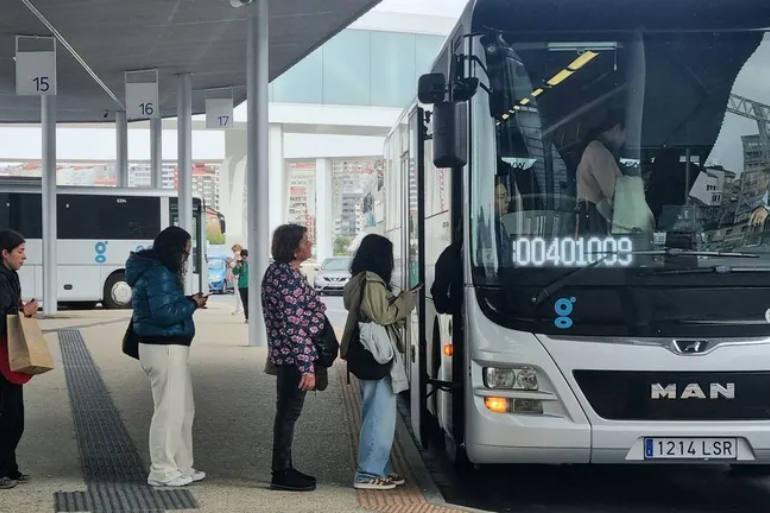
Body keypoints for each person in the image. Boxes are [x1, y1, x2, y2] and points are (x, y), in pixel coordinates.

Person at [125, 226, 208, 488]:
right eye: (185, 252)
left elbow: (162, 306)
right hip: (164, 347)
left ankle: (182, 465)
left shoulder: (154, 270)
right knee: (168, 411)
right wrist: (192, 303)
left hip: (167, 346)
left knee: (183, 409)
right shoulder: (159, 272)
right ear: (173, 250)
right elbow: (164, 315)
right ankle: (162, 471)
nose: (186, 258)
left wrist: (187, 301)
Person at [340, 234, 417, 490]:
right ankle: (368, 473)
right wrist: (406, 301)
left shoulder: (359, 280)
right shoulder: (372, 282)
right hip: (376, 353)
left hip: (366, 352)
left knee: (376, 411)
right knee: (379, 415)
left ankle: (381, 469)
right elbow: (382, 315)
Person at [261, 224, 326, 492]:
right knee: (288, 414)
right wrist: (306, 367)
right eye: (306, 241)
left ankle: (285, 467)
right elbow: (293, 326)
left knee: (286, 414)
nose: (310, 244)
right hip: (293, 358)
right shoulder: (285, 279)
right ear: (293, 248)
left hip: (289, 356)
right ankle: (281, 472)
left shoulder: (284, 273)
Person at [0, 229, 38, 490]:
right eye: (20, 251)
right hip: (2, 359)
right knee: (6, 415)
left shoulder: (9, 276)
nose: (24, 257)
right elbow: (2, 318)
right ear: (5, 253)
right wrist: (24, 311)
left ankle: (10, 468)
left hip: (8, 358)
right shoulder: (1, 279)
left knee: (15, 416)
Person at [232, 248, 249, 323]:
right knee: (244, 303)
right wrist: (237, 267)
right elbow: (235, 272)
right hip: (242, 286)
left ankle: (251, 317)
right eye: (243, 257)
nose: (244, 259)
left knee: (250, 302)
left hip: (250, 286)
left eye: (245, 257)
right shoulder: (240, 263)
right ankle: (247, 318)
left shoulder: (251, 263)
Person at [230, 244, 244, 316]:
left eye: (233, 250)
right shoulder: (242, 255)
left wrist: (230, 262)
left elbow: (234, 265)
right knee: (239, 293)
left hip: (237, 277)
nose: (233, 252)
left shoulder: (237, 254)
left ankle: (239, 309)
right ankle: (239, 308)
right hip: (239, 277)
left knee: (238, 293)